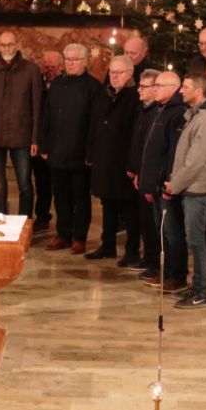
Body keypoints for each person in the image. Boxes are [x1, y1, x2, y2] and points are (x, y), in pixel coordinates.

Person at [164, 73, 206, 308]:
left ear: (198, 91)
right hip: (189, 187)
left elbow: (196, 161)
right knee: (193, 240)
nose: (181, 90)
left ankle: (201, 292)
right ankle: (196, 286)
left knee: (196, 241)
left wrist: (175, 184)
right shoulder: (196, 116)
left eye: (185, 87)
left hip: (197, 188)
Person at [40, 44, 101, 254]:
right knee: (60, 197)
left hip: (80, 152)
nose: (71, 63)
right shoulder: (57, 84)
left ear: (85, 61)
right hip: (57, 150)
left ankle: (79, 238)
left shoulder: (93, 87)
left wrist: (91, 152)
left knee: (80, 198)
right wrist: (44, 144)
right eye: (67, 59)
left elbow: (95, 123)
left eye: (75, 59)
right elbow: (47, 115)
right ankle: (63, 235)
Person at [85, 56, 140, 261]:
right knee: (107, 204)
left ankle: (132, 250)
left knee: (129, 207)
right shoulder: (104, 93)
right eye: (112, 72)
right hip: (104, 158)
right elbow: (94, 124)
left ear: (130, 74)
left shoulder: (134, 97)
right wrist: (91, 152)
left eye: (119, 73)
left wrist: (133, 163)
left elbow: (136, 134)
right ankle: (107, 245)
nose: (114, 76)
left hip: (123, 160)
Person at [138, 71, 188, 292]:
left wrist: (168, 181)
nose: (154, 88)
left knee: (172, 232)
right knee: (162, 230)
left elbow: (173, 153)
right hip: (156, 184)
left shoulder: (177, 113)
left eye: (158, 85)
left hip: (166, 185)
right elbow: (152, 151)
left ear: (173, 88)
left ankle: (177, 276)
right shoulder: (162, 110)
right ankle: (165, 272)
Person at [0, 30, 41, 216]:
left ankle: (25, 222)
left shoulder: (31, 70)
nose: (7, 48)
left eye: (10, 44)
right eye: (3, 45)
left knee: (25, 184)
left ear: (17, 44)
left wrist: (35, 139)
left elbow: (36, 106)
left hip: (22, 136)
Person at [126, 69, 161, 273]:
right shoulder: (143, 110)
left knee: (151, 220)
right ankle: (147, 257)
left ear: (155, 89)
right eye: (140, 85)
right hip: (140, 171)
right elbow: (137, 142)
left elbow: (151, 148)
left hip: (150, 174)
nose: (139, 89)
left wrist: (143, 172)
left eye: (144, 86)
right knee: (144, 219)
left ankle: (154, 260)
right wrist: (133, 167)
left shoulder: (156, 113)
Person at [32, 50, 62, 232]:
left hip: (58, 142)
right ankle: (42, 217)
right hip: (39, 139)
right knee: (42, 184)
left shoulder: (65, 84)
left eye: (53, 67)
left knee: (59, 186)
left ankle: (64, 224)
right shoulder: (37, 83)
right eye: (46, 66)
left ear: (61, 67)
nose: (49, 70)